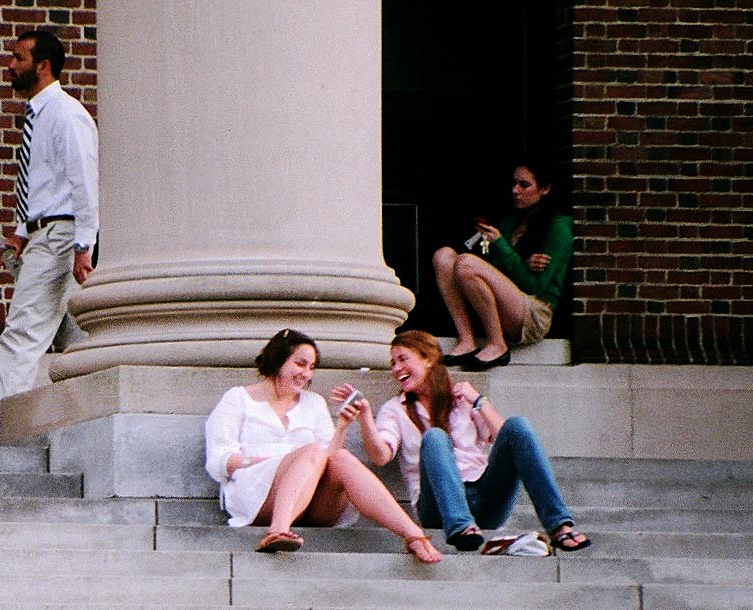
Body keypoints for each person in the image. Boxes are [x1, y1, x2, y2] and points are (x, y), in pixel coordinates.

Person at [332, 329, 590, 553]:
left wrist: (479, 401)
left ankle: (559, 525)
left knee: (518, 425)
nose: (396, 368)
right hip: (436, 506)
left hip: (485, 499)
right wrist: (365, 415)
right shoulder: (395, 409)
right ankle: (460, 526)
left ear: (429, 359)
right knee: (434, 437)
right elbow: (380, 456)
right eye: (393, 363)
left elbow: (508, 442)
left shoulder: (462, 399)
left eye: (403, 359)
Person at [204, 329, 442, 562]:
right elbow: (218, 462)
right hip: (256, 495)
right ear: (278, 360)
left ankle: (414, 536)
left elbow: (329, 458)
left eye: (311, 367)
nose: (306, 374)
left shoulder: (313, 403)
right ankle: (277, 530)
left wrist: (342, 426)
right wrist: (281, 464)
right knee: (310, 452)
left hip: (313, 500)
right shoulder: (238, 398)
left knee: (342, 459)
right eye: (300, 364)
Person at [0, 29, 99, 444]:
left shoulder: (67, 115)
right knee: (72, 338)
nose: (10, 65)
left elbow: (84, 183)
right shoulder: (39, 114)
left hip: (59, 238)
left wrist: (83, 245)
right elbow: (41, 182)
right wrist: (19, 234)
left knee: (22, 333)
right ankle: (79, 426)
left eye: (17, 58)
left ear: (43, 65)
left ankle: (3, 435)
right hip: (43, 235)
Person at [432, 161, 573, 370]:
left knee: (467, 263)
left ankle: (497, 345)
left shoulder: (558, 228)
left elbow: (536, 287)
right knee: (443, 256)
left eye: (524, 185)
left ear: (545, 189)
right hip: (501, 306)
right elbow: (493, 271)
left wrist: (502, 247)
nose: (515, 190)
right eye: (514, 184)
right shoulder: (509, 223)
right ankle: (467, 340)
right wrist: (520, 261)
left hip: (533, 313)